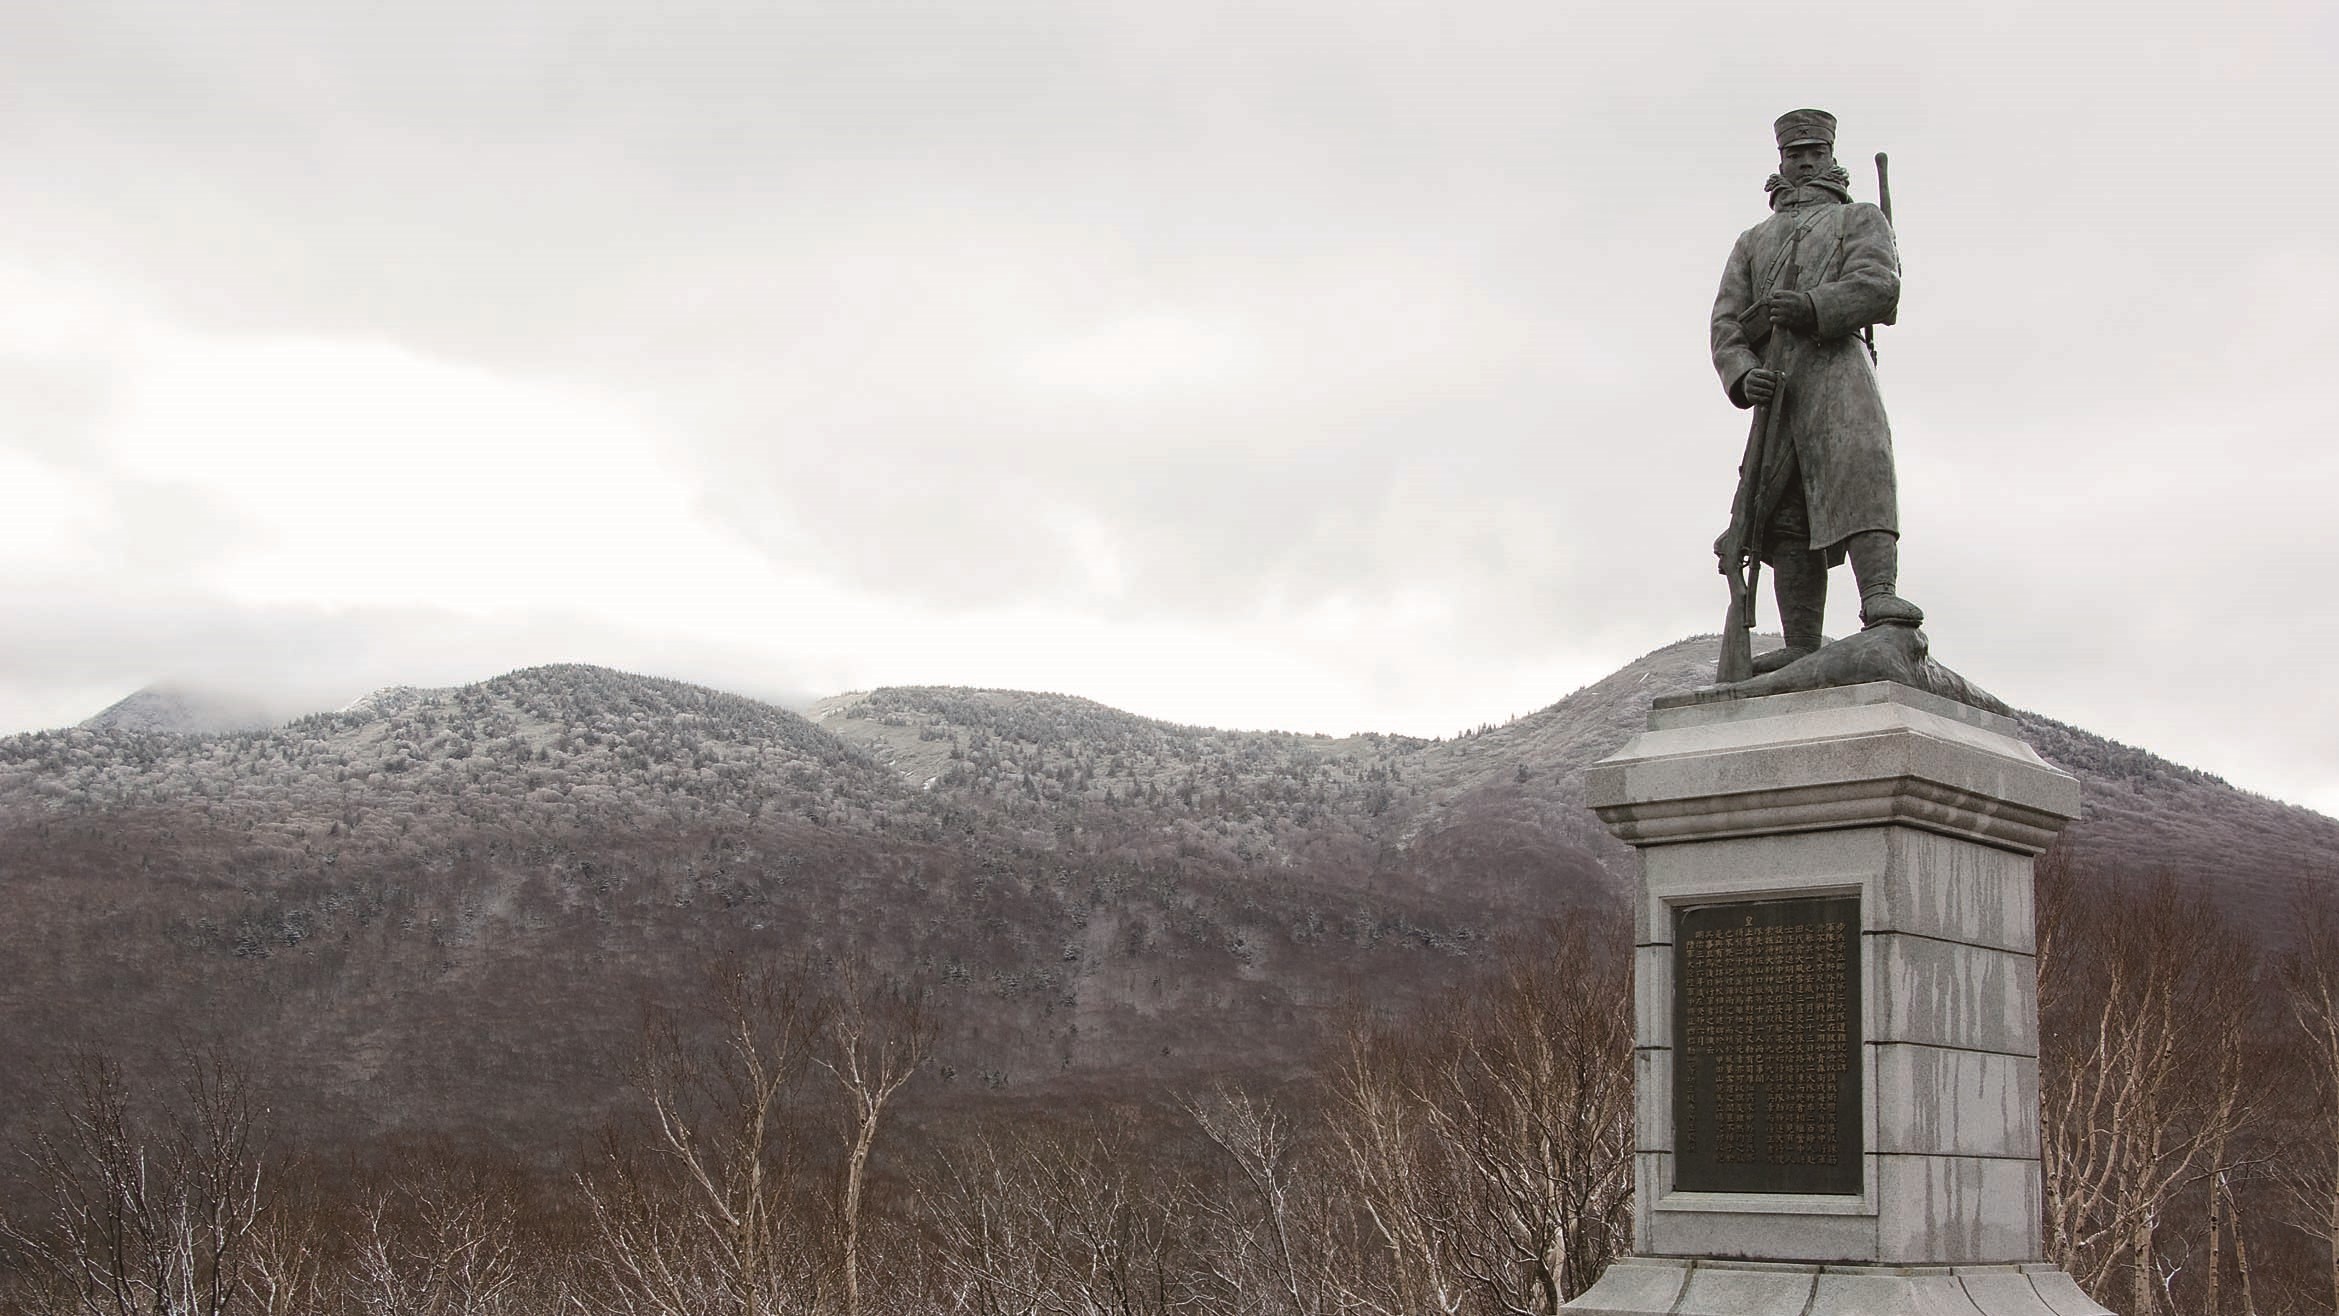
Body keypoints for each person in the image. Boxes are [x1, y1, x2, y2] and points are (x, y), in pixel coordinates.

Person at [1711, 108, 1920, 676]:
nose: (1803, 162)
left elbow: (1880, 288)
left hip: (1837, 369)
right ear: (1780, 161)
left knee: (1860, 475)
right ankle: (1802, 639)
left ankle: (1878, 594)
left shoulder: (1860, 220)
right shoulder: (1752, 241)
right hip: (1777, 385)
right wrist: (1740, 372)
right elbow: (1726, 323)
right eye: (1793, 153)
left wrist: (1812, 306)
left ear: (1831, 158)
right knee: (1782, 513)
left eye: (1814, 153)